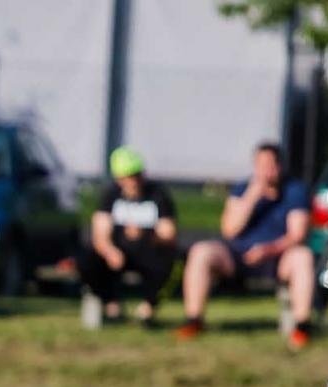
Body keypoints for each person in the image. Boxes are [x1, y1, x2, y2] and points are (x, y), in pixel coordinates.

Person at [176, 142, 314, 349]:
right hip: (238, 256)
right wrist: (251, 197)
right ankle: (194, 321)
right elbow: (229, 230)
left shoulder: (295, 191)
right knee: (200, 251)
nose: (267, 171)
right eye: (262, 165)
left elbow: (297, 234)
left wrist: (267, 250)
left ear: (280, 166)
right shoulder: (242, 189)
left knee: (303, 256)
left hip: (277, 257)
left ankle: (302, 326)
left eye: (271, 165)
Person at [78, 146, 177, 328]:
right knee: (87, 260)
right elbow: (100, 232)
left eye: (137, 175)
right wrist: (109, 251)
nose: (134, 181)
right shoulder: (110, 195)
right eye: (129, 176)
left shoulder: (157, 194)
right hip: (118, 252)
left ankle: (147, 309)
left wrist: (147, 235)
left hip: (149, 251)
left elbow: (169, 233)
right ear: (119, 179)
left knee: (173, 264)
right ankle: (111, 305)